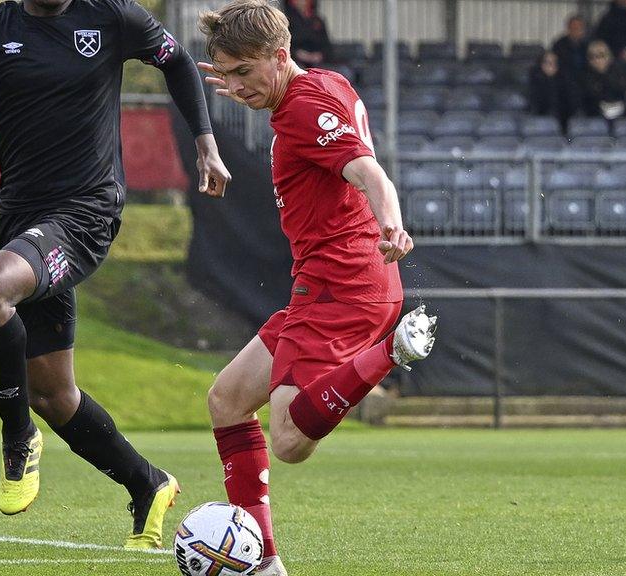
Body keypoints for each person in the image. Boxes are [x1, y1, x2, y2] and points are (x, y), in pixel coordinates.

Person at [0, 0, 229, 548]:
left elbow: (178, 61)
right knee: (53, 394)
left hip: (86, 214)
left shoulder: (112, 15)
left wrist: (205, 144)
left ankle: (17, 436)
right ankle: (148, 483)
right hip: (22, 222)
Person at [197, 1, 436, 574]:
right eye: (226, 74)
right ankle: (264, 564)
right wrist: (251, 84)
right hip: (333, 284)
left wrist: (391, 222)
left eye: (245, 72)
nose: (235, 85)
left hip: (344, 286)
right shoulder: (320, 84)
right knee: (228, 401)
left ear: (281, 57)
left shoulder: (305, 109)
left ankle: (390, 354)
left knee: (287, 440)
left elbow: (369, 170)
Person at [581, 40, 626, 120]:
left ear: (609, 56)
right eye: (592, 56)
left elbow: (622, 92)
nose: (597, 60)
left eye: (601, 55)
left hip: (620, 114)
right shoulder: (584, 76)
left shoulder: (618, 72)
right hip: (595, 116)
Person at [528, 51, 577, 131]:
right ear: (541, 64)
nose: (551, 65)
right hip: (539, 126)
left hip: (564, 126)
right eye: (547, 62)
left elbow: (572, 106)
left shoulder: (567, 83)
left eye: (554, 62)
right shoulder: (534, 82)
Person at [283, 0, 334, 67]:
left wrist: (320, 55)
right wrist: (297, 54)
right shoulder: (286, 20)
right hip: (295, 62)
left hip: (319, 62)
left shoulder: (318, 21)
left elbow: (327, 46)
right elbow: (283, 44)